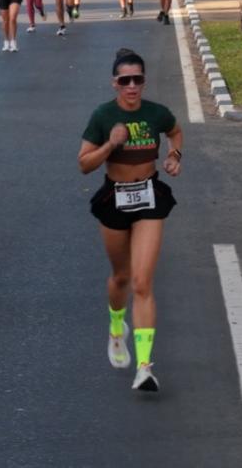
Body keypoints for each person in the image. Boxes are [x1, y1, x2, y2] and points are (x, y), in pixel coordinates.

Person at [77, 49, 184, 392]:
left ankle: (144, 367)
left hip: (149, 195)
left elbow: (176, 131)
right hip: (115, 198)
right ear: (115, 84)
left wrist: (174, 155)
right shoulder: (103, 115)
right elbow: (84, 164)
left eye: (138, 79)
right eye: (125, 80)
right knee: (121, 278)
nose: (132, 86)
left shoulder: (156, 113)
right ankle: (115, 326)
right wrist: (111, 144)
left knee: (142, 282)